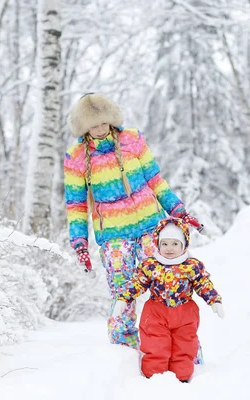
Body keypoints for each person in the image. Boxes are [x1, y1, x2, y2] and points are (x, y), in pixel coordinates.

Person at [63, 93, 204, 351]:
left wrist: (179, 211)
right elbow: (76, 205)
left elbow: (155, 180)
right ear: (84, 128)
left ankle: (180, 346)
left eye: (104, 122)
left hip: (151, 226)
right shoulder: (76, 158)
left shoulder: (132, 140)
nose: (100, 129)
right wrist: (80, 242)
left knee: (169, 283)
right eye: (94, 125)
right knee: (123, 291)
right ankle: (123, 351)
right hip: (114, 237)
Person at [112, 217, 224, 382]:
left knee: (184, 345)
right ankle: (154, 376)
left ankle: (182, 377)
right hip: (157, 312)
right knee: (155, 345)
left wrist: (214, 300)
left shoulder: (192, 266)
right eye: (164, 244)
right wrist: (123, 299)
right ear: (158, 244)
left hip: (185, 314)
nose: (169, 249)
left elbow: (203, 283)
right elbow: (137, 283)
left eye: (174, 244)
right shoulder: (150, 265)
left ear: (184, 245)